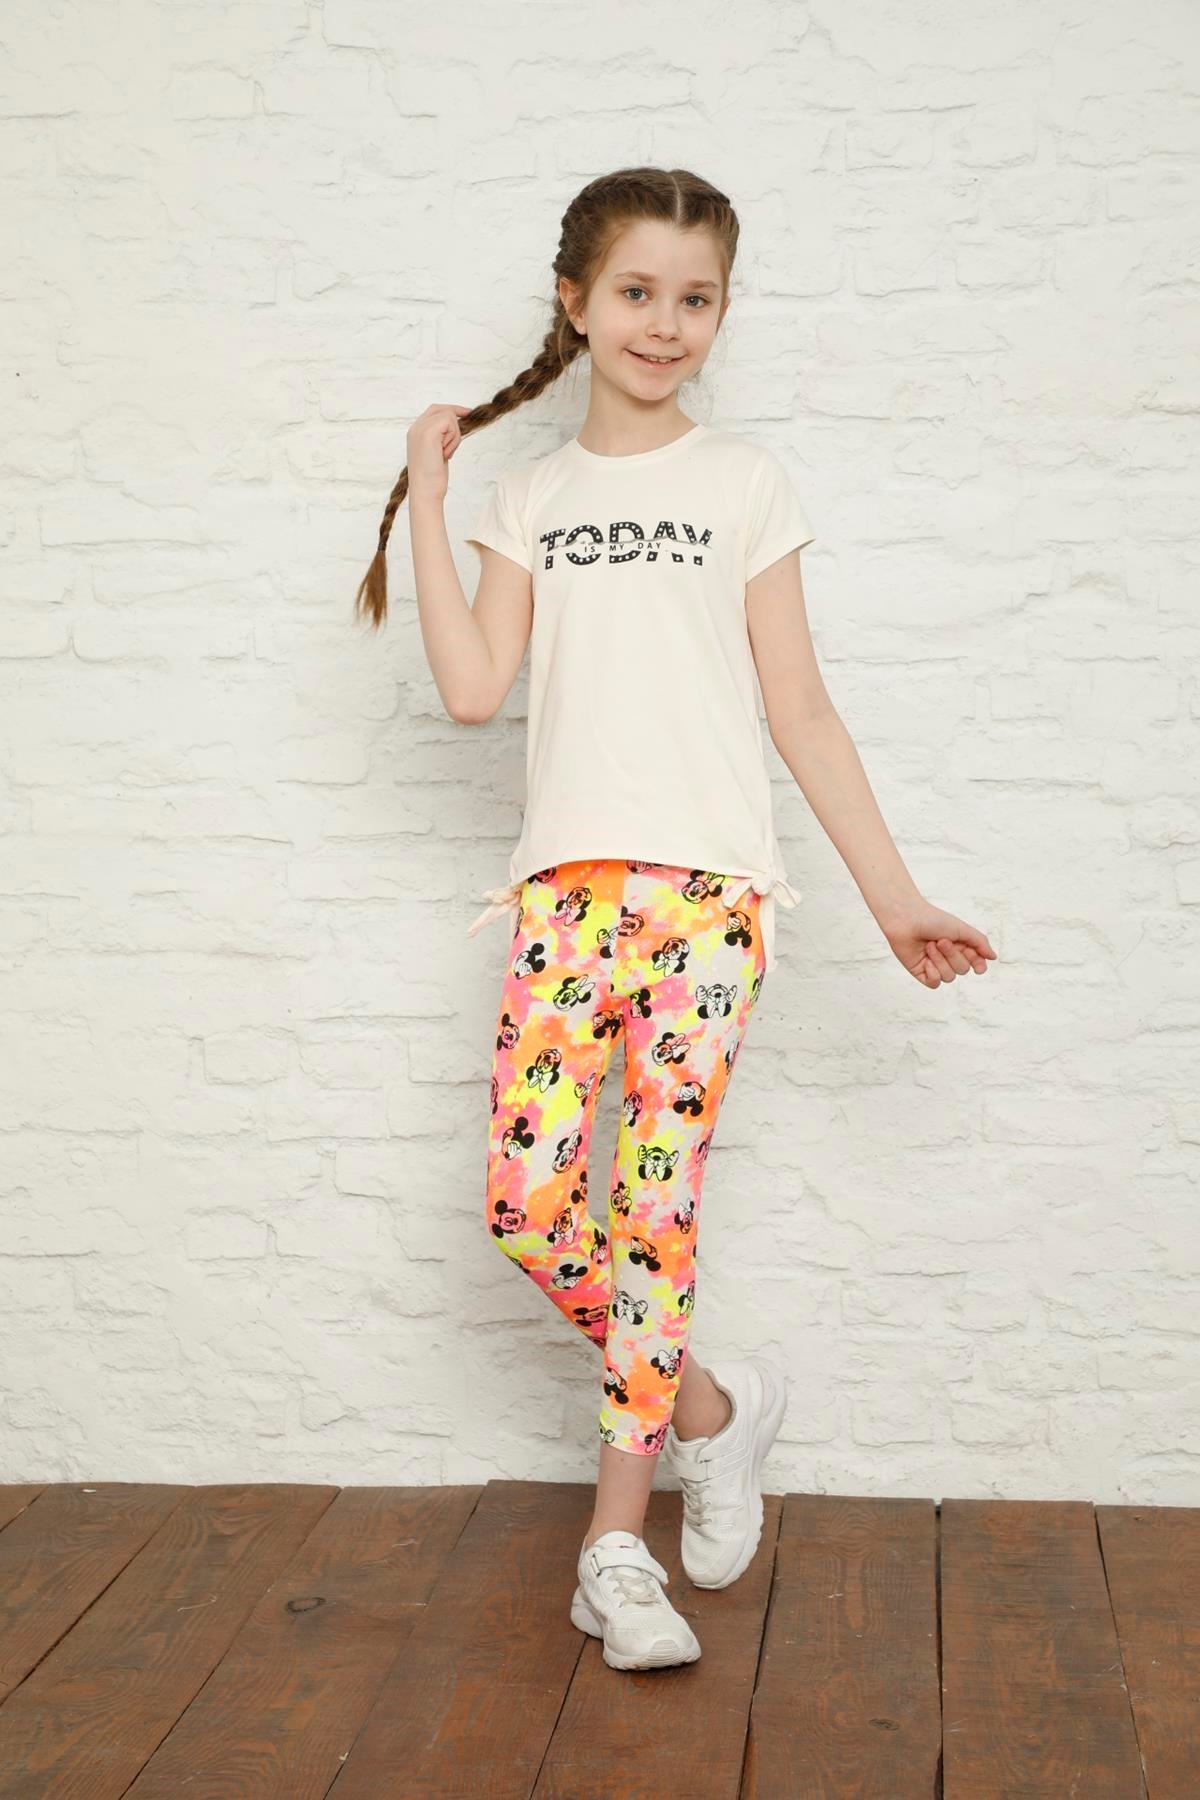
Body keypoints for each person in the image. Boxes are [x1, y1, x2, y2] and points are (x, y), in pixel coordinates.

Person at [352, 165, 997, 1673]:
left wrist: (893, 898)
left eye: (695, 298)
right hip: (565, 901)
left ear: (721, 311)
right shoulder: (533, 500)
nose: (666, 323)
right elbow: (471, 692)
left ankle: (612, 1553)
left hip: (709, 906)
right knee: (527, 1209)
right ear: (575, 301)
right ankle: (712, 1406)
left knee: (651, 1217)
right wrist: (433, 500)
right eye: (637, 292)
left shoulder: (744, 482)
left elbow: (802, 710)